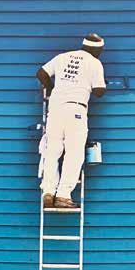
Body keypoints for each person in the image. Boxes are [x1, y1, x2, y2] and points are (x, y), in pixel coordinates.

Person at [36, 33, 107, 208]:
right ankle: (63, 195)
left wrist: (52, 89)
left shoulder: (62, 57)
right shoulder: (94, 63)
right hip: (76, 110)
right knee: (74, 153)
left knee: (52, 151)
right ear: (96, 49)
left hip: (55, 110)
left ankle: (48, 192)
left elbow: (41, 73)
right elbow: (99, 91)